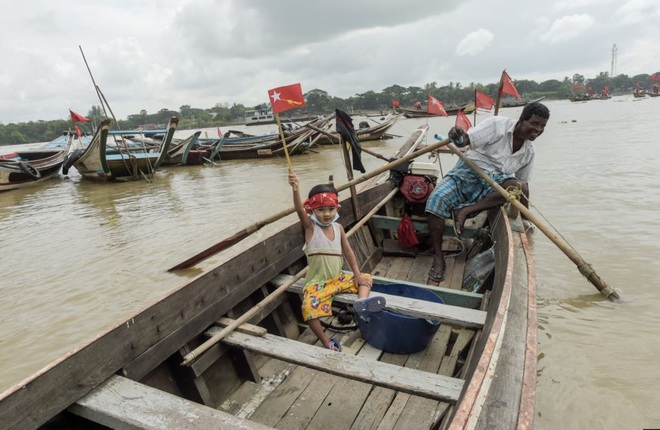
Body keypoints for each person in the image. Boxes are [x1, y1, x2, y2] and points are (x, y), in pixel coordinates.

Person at [424, 101, 550, 285]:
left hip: (494, 184)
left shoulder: (529, 152)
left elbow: (524, 185)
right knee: (435, 200)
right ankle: (438, 257)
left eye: (542, 126)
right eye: (534, 124)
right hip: (470, 171)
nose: (538, 130)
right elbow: (465, 140)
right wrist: (458, 137)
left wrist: (525, 219)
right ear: (522, 120)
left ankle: (466, 211)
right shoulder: (497, 126)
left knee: (516, 187)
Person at [288, 172, 386, 351]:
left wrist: (356, 274)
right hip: (318, 283)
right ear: (312, 210)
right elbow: (299, 210)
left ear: (337, 208)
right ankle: (326, 341)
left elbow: (348, 252)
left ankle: (361, 303)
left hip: (338, 279)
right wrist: (295, 189)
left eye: (330, 209)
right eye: (321, 210)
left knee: (367, 278)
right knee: (308, 310)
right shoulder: (311, 227)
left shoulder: (338, 227)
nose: (326, 214)